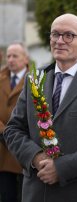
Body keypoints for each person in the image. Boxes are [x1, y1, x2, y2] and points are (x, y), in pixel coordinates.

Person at [4, 13, 77, 202]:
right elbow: (13, 129)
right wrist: (36, 158)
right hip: (36, 191)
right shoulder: (34, 80)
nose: (60, 41)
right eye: (55, 34)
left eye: (69, 35)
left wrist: (61, 168)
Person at [0, 42, 29, 202]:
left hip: (24, 147)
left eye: (15, 56)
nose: (10, 60)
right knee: (7, 195)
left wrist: (16, 135)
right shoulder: (0, 79)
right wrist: (4, 132)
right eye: (8, 56)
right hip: (2, 148)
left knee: (26, 195)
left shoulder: (36, 81)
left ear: (25, 59)